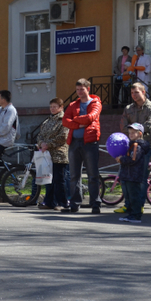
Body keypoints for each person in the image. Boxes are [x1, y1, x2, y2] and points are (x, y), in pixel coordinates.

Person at [114, 82, 151, 213]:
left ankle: (139, 205)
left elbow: (149, 125)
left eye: (136, 92)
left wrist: (133, 128)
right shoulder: (128, 108)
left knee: (141, 178)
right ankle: (128, 205)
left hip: (145, 146)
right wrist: (133, 131)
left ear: (143, 92)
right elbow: (123, 126)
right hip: (129, 146)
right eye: (132, 93)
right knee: (126, 177)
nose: (134, 95)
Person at [61, 78, 103, 213]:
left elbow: (91, 117)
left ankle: (95, 204)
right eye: (77, 89)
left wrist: (74, 120)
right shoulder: (73, 104)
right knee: (74, 175)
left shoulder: (95, 103)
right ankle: (74, 204)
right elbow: (65, 121)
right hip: (74, 143)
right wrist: (79, 124)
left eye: (82, 89)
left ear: (88, 89)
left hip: (90, 143)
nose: (79, 92)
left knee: (93, 175)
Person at [36, 98, 69, 210]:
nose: (52, 109)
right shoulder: (47, 121)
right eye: (51, 107)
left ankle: (62, 203)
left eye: (55, 106)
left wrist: (48, 144)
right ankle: (49, 202)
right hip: (47, 155)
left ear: (61, 107)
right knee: (48, 180)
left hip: (59, 154)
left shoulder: (63, 120)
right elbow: (39, 135)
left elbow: (63, 137)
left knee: (59, 180)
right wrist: (41, 143)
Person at [115, 123, 151, 224]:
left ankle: (136, 215)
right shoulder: (131, 144)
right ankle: (131, 214)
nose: (130, 134)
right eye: (129, 132)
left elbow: (133, 159)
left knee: (134, 196)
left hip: (133, 175)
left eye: (133, 132)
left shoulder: (137, 146)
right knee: (129, 196)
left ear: (139, 133)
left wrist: (121, 159)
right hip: (128, 174)